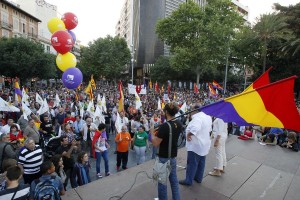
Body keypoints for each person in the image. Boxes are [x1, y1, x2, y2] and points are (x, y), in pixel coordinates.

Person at [151, 102, 182, 200]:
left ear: (167, 112)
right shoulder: (179, 123)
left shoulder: (165, 126)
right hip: (173, 157)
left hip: (163, 159)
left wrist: (152, 133)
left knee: (162, 183)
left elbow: (156, 143)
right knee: (174, 181)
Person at [179, 106, 212, 186]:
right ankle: (199, 178)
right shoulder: (207, 117)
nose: (190, 111)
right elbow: (209, 130)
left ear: (195, 110)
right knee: (201, 162)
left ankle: (188, 180)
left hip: (195, 145)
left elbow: (195, 129)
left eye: (191, 110)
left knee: (192, 163)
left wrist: (189, 134)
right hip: (204, 144)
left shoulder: (197, 118)